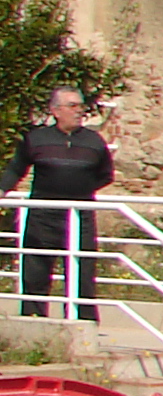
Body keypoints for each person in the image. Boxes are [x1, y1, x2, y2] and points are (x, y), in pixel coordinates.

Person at [4, 86, 114, 321]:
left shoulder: (94, 141)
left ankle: (83, 324)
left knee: (82, 272)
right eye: (72, 106)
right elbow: (16, 169)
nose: (79, 112)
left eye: (81, 106)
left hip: (79, 217)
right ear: (55, 110)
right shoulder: (37, 139)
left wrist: (79, 190)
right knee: (35, 272)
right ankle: (32, 322)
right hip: (43, 216)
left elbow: (106, 175)